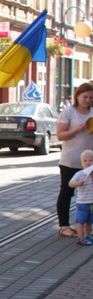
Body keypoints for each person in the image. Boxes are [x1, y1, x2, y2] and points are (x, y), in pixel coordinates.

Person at [56, 83, 93, 238]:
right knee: (67, 192)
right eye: (85, 97)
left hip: (90, 161)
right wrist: (78, 129)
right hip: (71, 160)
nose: (88, 100)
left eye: (91, 97)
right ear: (77, 96)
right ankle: (64, 226)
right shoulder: (69, 112)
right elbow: (60, 135)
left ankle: (87, 227)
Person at [68, 150, 93, 245]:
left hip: (91, 202)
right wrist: (78, 183)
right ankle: (80, 237)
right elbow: (70, 184)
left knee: (89, 221)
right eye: (85, 161)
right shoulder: (79, 174)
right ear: (81, 163)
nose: (88, 163)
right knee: (81, 221)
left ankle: (87, 236)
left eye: (91, 160)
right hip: (82, 202)